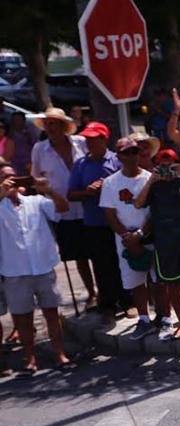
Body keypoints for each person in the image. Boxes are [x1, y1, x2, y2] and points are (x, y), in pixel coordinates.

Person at [0, 167, 74, 373]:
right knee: (23, 319)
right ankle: (29, 358)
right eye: (5, 177)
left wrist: (48, 190)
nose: (10, 180)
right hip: (15, 271)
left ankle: (60, 354)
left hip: (42, 266)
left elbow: (62, 208)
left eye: (12, 176)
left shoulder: (35, 201)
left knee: (52, 313)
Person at [135, 149, 180, 341]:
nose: (167, 169)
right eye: (163, 165)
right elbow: (138, 203)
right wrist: (151, 179)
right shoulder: (154, 185)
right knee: (172, 284)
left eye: (171, 164)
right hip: (165, 243)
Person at [30, 107, 93, 309]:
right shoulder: (40, 149)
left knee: (98, 251)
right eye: (47, 123)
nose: (50, 127)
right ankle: (92, 292)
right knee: (78, 254)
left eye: (54, 123)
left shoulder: (80, 143)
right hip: (61, 210)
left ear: (63, 126)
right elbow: (36, 178)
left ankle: (109, 294)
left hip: (88, 204)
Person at [65, 122, 125, 315]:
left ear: (103, 139)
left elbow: (127, 187)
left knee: (120, 262)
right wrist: (87, 192)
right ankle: (107, 304)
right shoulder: (81, 165)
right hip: (93, 223)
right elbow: (71, 194)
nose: (89, 143)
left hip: (117, 222)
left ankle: (127, 301)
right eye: (87, 139)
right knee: (100, 264)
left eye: (93, 139)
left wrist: (108, 186)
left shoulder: (117, 161)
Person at [101, 138, 156, 339]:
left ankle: (163, 317)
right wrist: (128, 237)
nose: (132, 156)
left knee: (158, 279)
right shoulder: (110, 183)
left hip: (149, 235)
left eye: (135, 151)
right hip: (124, 238)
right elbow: (109, 214)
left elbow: (154, 212)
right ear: (119, 157)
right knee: (136, 281)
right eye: (127, 153)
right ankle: (144, 319)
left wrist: (140, 235)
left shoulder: (149, 178)